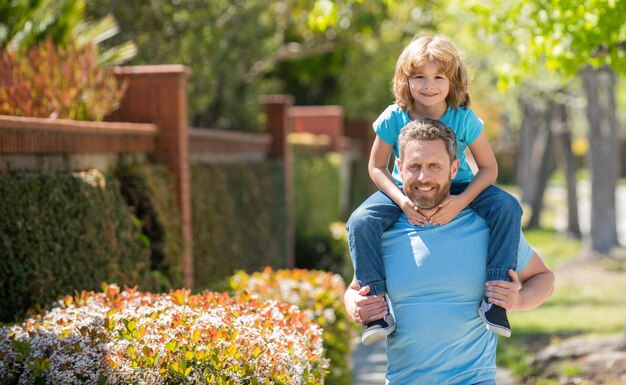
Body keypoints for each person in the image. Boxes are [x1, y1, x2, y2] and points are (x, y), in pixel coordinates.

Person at [345, 118, 555, 385]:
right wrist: (356, 308)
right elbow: (354, 290)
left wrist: (518, 300)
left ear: (454, 168)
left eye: (435, 166)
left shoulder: (489, 228)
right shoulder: (379, 230)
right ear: (398, 167)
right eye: (414, 166)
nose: (424, 177)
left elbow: (543, 277)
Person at [346, 35, 523, 344]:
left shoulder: (464, 118)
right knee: (361, 221)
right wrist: (401, 201)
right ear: (406, 80)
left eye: (438, 77)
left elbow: (489, 169)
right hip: (405, 188)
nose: (429, 85)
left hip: (462, 185)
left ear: (452, 80)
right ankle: (376, 309)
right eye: (419, 77)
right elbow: (377, 167)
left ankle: (495, 299)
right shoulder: (393, 117)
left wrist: (461, 202)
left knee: (508, 206)